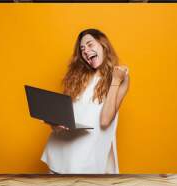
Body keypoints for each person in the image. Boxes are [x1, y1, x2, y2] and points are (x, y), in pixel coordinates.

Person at [41, 28, 130, 174]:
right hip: (62, 152)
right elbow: (69, 115)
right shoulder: (77, 77)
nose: (86, 51)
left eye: (90, 45)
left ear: (103, 45)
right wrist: (55, 123)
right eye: (82, 49)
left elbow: (105, 120)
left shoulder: (120, 76)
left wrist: (115, 79)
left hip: (88, 157)